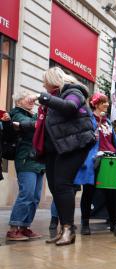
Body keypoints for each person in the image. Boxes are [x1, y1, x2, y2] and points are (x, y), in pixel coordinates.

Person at [29, 67, 96, 246]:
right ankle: (62, 228)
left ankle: (68, 229)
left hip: (73, 145)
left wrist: (44, 98)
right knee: (54, 186)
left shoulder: (73, 91)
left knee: (63, 185)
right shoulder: (55, 97)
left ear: (54, 80)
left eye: (45, 82)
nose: (44, 85)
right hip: (55, 149)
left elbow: (70, 107)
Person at [75, 93, 116, 235]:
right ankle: (85, 223)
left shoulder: (108, 122)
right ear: (95, 104)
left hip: (111, 160)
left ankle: (114, 223)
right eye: (103, 102)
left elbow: (113, 142)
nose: (107, 104)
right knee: (89, 192)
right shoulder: (88, 120)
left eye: (107, 102)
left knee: (112, 193)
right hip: (94, 160)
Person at [6, 91, 45, 241]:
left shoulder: (30, 115)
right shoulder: (16, 114)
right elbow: (33, 126)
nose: (30, 101)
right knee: (27, 194)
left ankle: (25, 226)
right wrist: (42, 113)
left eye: (30, 99)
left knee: (35, 197)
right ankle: (13, 228)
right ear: (18, 102)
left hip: (38, 161)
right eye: (25, 98)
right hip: (25, 160)